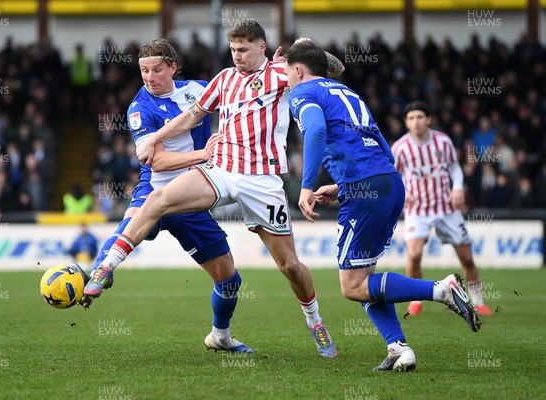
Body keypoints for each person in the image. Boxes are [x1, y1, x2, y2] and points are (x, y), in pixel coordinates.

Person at [85, 22, 338, 358]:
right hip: (221, 168)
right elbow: (191, 117)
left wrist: (303, 51)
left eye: (244, 49)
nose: (237, 56)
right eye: (233, 49)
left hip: (262, 180)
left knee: (289, 266)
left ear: (262, 47)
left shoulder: (284, 74)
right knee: (157, 199)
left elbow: (335, 70)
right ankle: (105, 267)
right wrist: (155, 139)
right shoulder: (223, 79)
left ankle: (315, 323)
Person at [284, 40, 480, 372]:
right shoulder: (347, 93)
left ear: (299, 71)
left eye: (288, 72)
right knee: (365, 279)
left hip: (366, 186)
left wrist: (306, 186)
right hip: (388, 181)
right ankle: (398, 348)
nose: (287, 79)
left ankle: (441, 290)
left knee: (353, 286)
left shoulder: (302, 94)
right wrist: (343, 186)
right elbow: (385, 153)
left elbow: (315, 132)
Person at [83, 39, 252, 353]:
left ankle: (220, 336)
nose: (149, 77)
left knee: (229, 279)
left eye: (156, 69)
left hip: (192, 197)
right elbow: (156, 161)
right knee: (131, 224)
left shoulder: (200, 90)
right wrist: (204, 154)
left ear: (173, 67)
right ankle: (100, 271)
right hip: (156, 189)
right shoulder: (139, 109)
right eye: (144, 70)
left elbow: (244, 89)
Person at [392, 101, 493, 316]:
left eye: (420, 117)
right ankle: (416, 299)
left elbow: (455, 169)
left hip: (446, 207)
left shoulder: (443, 142)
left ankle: (478, 301)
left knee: (466, 257)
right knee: (414, 254)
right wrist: (402, 191)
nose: (416, 122)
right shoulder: (400, 147)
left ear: (428, 119)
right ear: (406, 122)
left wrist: (457, 189)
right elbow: (394, 176)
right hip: (418, 209)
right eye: (411, 118)